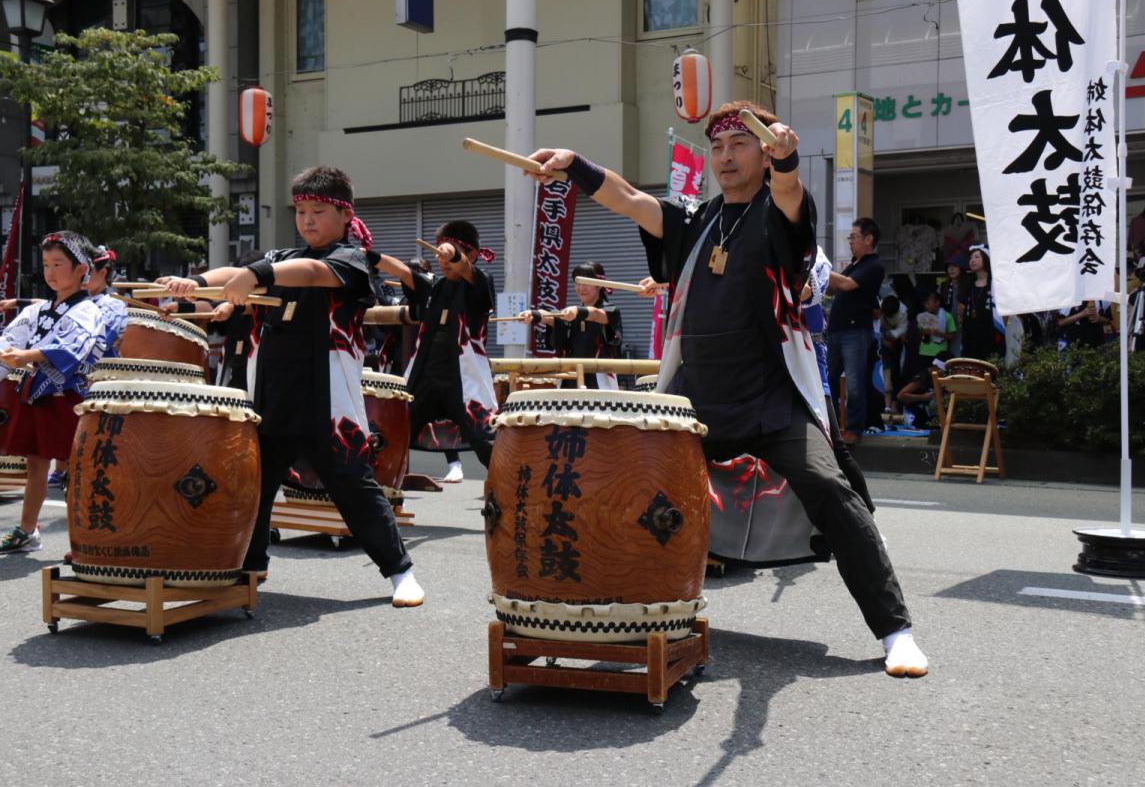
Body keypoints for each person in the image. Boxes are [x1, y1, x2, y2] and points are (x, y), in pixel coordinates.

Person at [526, 100, 927, 677]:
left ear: (764, 154)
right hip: (695, 401)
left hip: (771, 398)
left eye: (740, 144)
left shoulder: (778, 214)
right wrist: (575, 166)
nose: (725, 156)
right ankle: (623, 619)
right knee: (630, 490)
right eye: (717, 146)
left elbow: (790, 197)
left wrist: (789, 164)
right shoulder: (695, 221)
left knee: (829, 487)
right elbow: (632, 200)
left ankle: (895, 630)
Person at [159, 165, 423, 607]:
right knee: (255, 484)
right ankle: (252, 565)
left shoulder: (351, 260)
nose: (308, 220)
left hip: (328, 403)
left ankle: (400, 572)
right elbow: (235, 274)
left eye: (318, 211)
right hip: (273, 396)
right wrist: (199, 284)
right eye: (301, 211)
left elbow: (312, 273)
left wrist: (257, 274)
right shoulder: (281, 259)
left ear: (344, 214)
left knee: (354, 488)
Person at [0, 232, 105, 553]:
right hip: (37, 396)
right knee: (36, 464)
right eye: (46, 264)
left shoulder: (88, 310)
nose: (51, 271)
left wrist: (27, 356)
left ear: (80, 269)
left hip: (71, 400)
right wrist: (11, 356)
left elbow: (72, 348)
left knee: (78, 469)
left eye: (59, 263)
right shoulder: (37, 310)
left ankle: (87, 539)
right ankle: (28, 530)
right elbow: (8, 343)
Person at [370, 220, 497, 471]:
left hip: (461, 378)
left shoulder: (479, 283)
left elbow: (468, 271)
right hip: (426, 375)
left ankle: (509, 489)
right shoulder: (436, 287)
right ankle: (385, 489)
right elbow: (405, 273)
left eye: (447, 254)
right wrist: (367, 254)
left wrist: (455, 255)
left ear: (471, 254)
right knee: (395, 433)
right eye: (439, 254)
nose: (442, 260)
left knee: (484, 440)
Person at [801, 246, 875, 513]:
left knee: (834, 443)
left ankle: (866, 515)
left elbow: (808, 293)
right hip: (774, 359)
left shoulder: (814, 255)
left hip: (807, 355)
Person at [517, 261, 624, 389]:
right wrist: (534, 314)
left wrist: (578, 311)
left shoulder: (610, 311)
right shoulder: (572, 312)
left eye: (586, 283)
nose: (581, 288)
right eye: (577, 283)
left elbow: (596, 314)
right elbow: (553, 318)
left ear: (599, 285)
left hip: (598, 376)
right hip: (571, 375)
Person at [826, 217, 885, 446]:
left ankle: (853, 429)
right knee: (828, 380)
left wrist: (819, 266)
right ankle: (829, 427)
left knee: (854, 383)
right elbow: (835, 290)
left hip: (855, 332)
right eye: (850, 237)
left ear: (869, 239)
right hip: (836, 330)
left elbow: (847, 285)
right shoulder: (854, 265)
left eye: (854, 237)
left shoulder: (874, 266)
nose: (850, 241)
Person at [961, 244, 1006, 361]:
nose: (972, 260)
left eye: (977, 257)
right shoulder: (968, 285)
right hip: (972, 337)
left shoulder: (995, 284)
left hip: (991, 335)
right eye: (971, 258)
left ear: (986, 259)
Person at [915, 289, 956, 373]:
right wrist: (924, 332)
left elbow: (952, 336)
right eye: (925, 304)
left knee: (937, 376)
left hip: (940, 352)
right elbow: (918, 332)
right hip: (924, 351)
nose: (927, 306)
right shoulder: (923, 316)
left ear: (937, 303)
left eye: (929, 303)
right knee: (924, 376)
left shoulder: (947, 316)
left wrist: (939, 333)